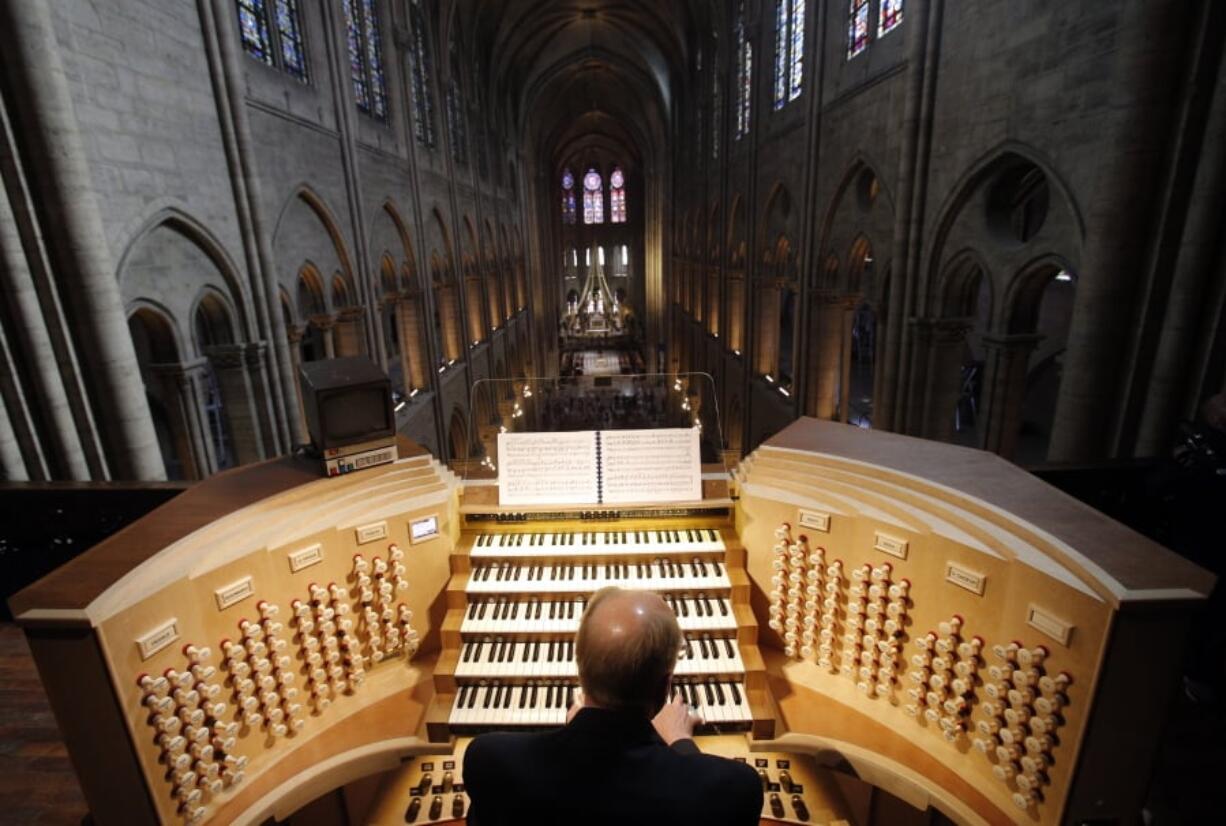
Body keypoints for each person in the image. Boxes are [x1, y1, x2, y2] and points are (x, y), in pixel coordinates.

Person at [463, 587, 764, 825]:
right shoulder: (735, 789)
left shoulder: (490, 760)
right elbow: (700, 791)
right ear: (664, 687)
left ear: (580, 671)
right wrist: (681, 744)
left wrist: (579, 733)